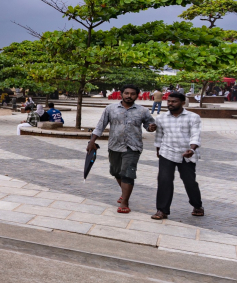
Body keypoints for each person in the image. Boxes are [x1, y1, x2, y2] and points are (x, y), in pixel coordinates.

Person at [87, 84, 157, 214]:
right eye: (126, 93)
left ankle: (125, 201)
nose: (129, 96)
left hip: (133, 147)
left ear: (137, 95)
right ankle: (124, 192)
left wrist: (151, 127)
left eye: (132, 94)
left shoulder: (143, 111)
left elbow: (149, 124)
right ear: (121, 94)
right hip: (114, 145)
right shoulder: (110, 109)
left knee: (128, 174)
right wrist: (92, 141)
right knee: (116, 172)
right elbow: (100, 125)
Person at [151, 92, 204, 219]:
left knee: (189, 181)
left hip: (187, 153)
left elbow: (195, 135)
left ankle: (197, 205)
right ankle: (162, 210)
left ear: (182, 102)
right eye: (169, 101)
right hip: (167, 152)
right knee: (164, 180)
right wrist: (158, 150)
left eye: (174, 101)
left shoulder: (193, 117)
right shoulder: (161, 118)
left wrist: (192, 149)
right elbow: (159, 136)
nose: (170, 103)